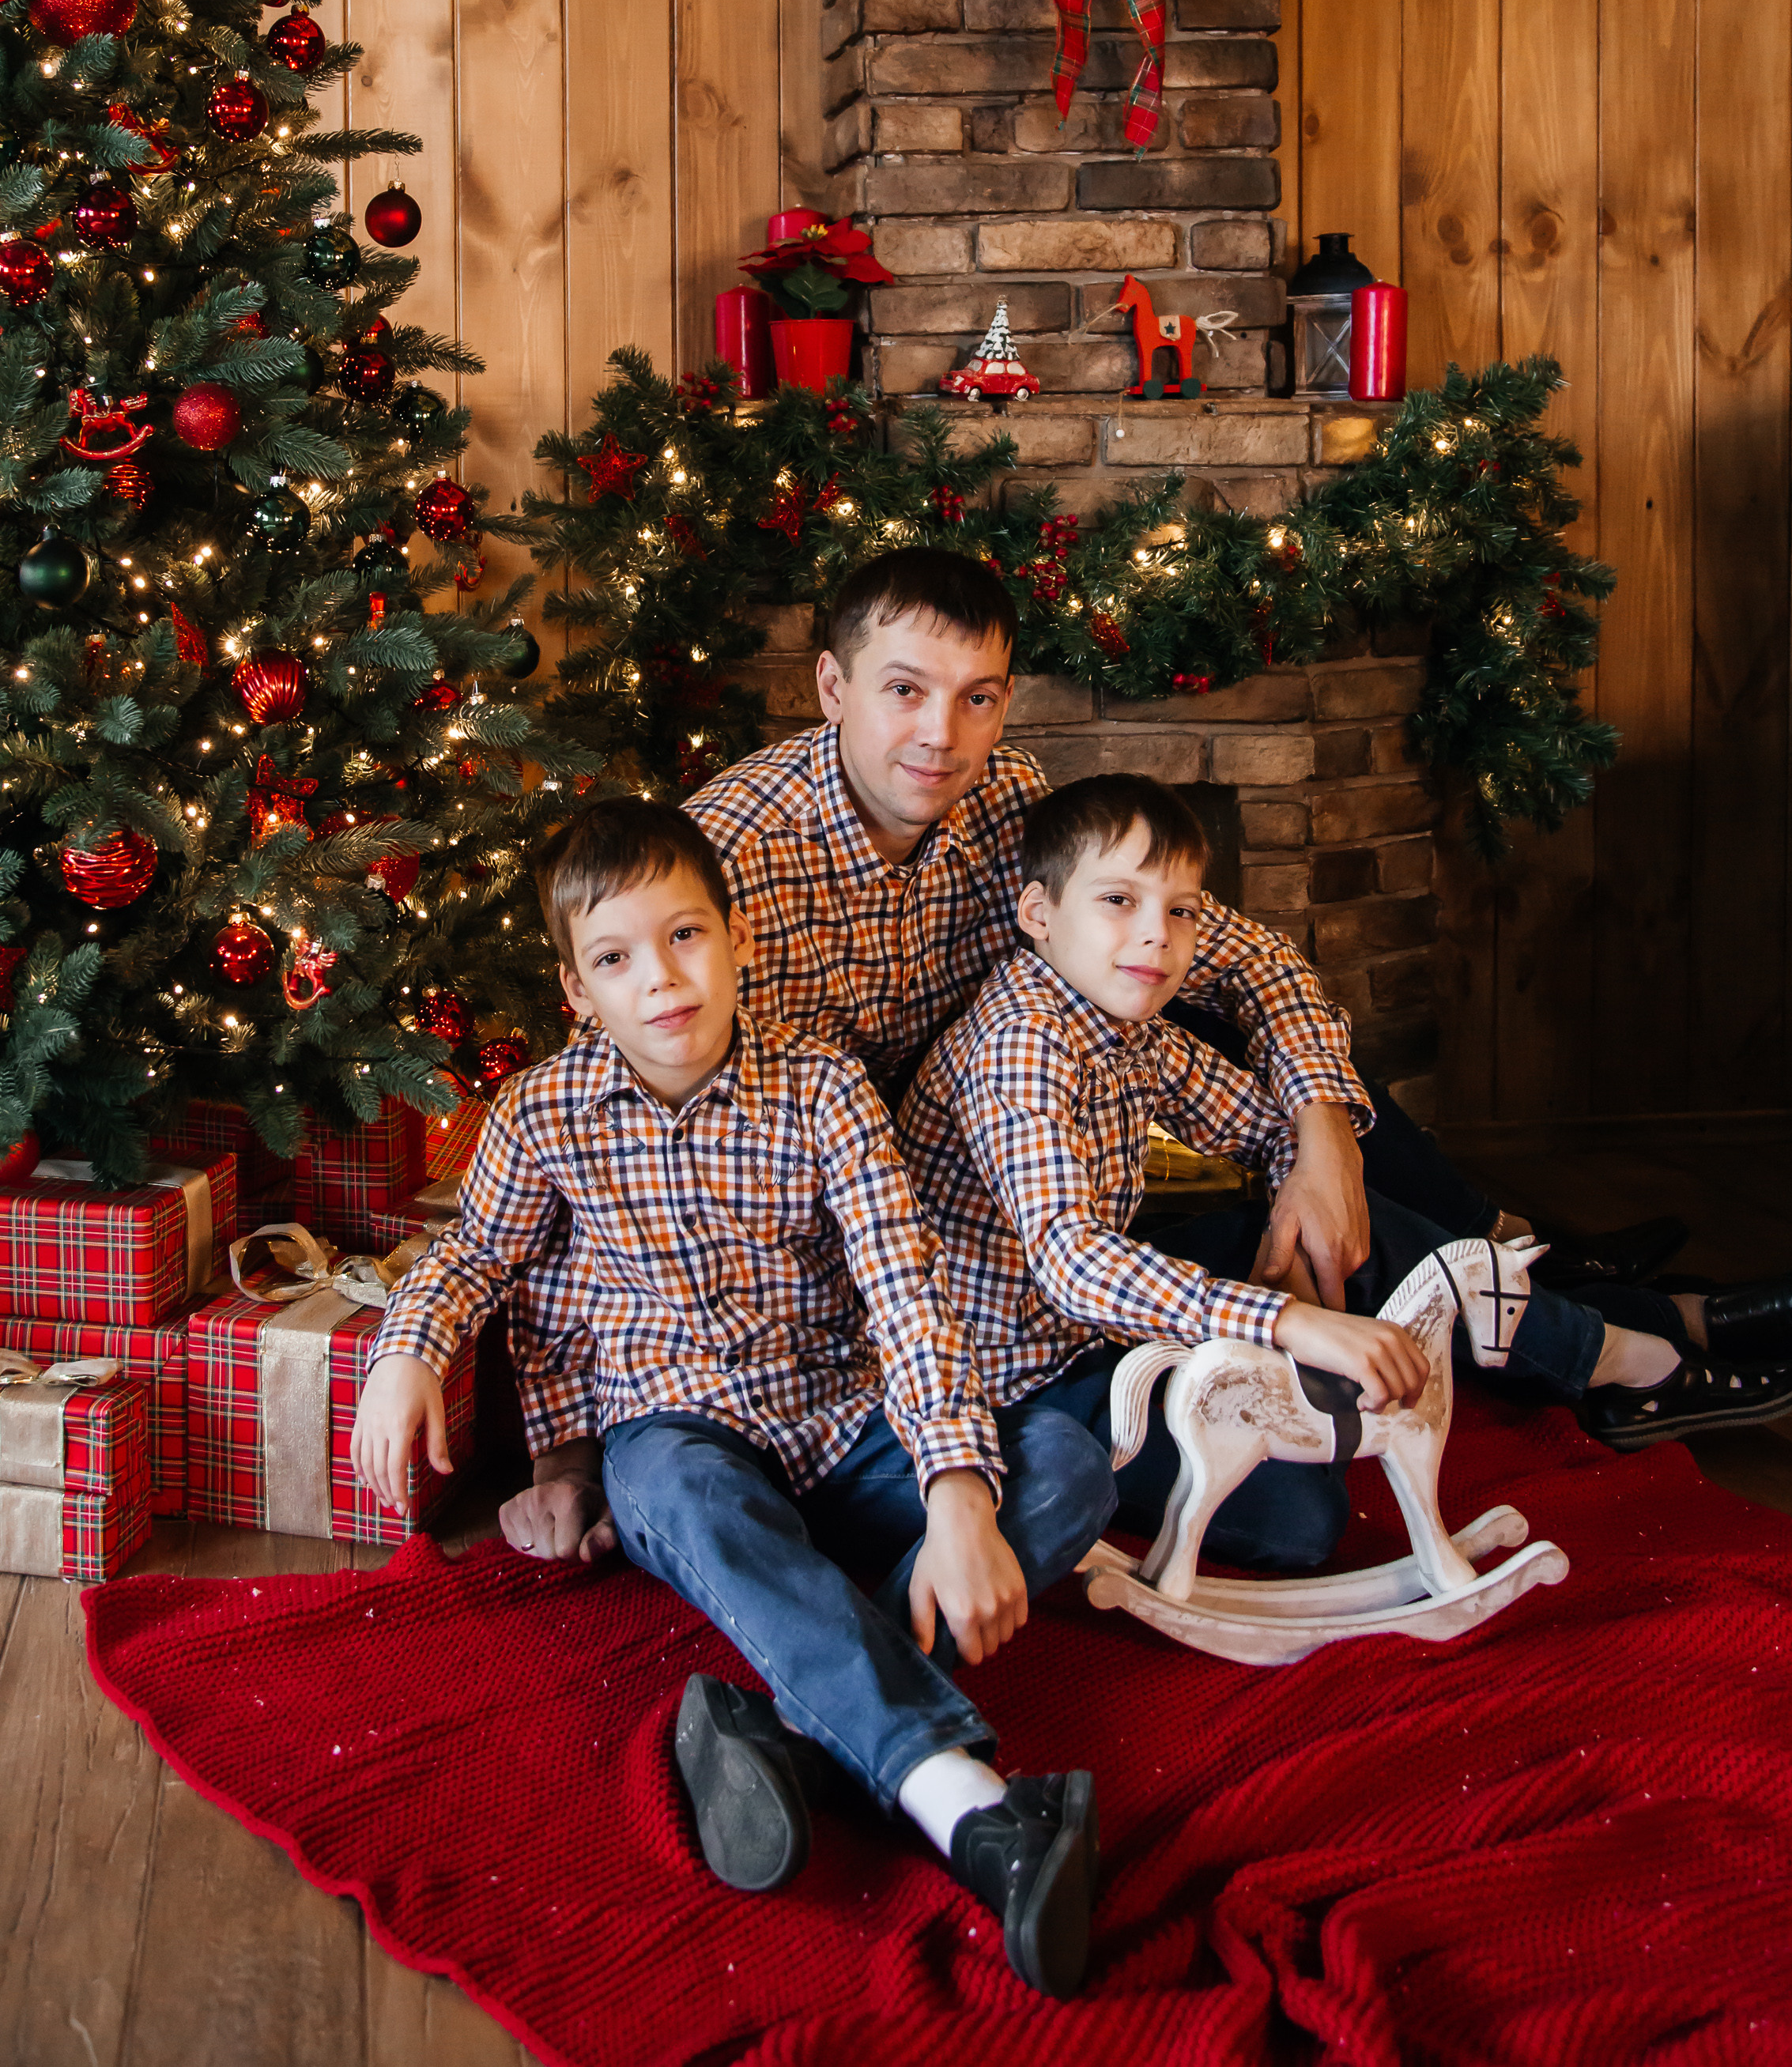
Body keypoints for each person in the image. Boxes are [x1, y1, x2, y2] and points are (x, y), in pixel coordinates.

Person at [499, 549, 1684, 1554]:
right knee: (1292, 1513)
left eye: (979, 697)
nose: (940, 736)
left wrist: (1320, 1138)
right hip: (894, 1261)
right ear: (831, 686)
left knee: (1188, 996)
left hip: (1044, 1173)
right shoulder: (720, 866)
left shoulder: (1011, 806)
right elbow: (593, 1137)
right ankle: (1548, 1306)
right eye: (905, 690)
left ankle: (1544, 1296)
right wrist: (568, 1451)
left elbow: (1242, 955)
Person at [353, 799, 1112, 2000]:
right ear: (576, 993)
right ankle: (971, 1808)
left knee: (1069, 1465)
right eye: (616, 960)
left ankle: (784, 1732)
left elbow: (904, 1294)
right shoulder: (542, 1115)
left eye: (685, 937)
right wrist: (406, 1351)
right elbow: (466, 1259)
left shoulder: (822, 1089)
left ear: (737, 938)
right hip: (683, 1441)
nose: (660, 980)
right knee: (677, 1486)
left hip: (836, 1421)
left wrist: (958, 1494)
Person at [894, 775, 1792, 1570]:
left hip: (1104, 1325)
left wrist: (1302, 1193)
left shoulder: (1122, 1026)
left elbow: (1264, 1128)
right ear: (1037, 912)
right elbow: (1075, 1262)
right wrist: (1296, 1320)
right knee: (1304, 1525)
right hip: (1024, 1379)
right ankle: (1588, 1351)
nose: (1157, 938)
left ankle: (1614, 1360)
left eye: (1178, 908)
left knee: (1348, 1215)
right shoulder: (1021, 1041)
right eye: (1119, 901)